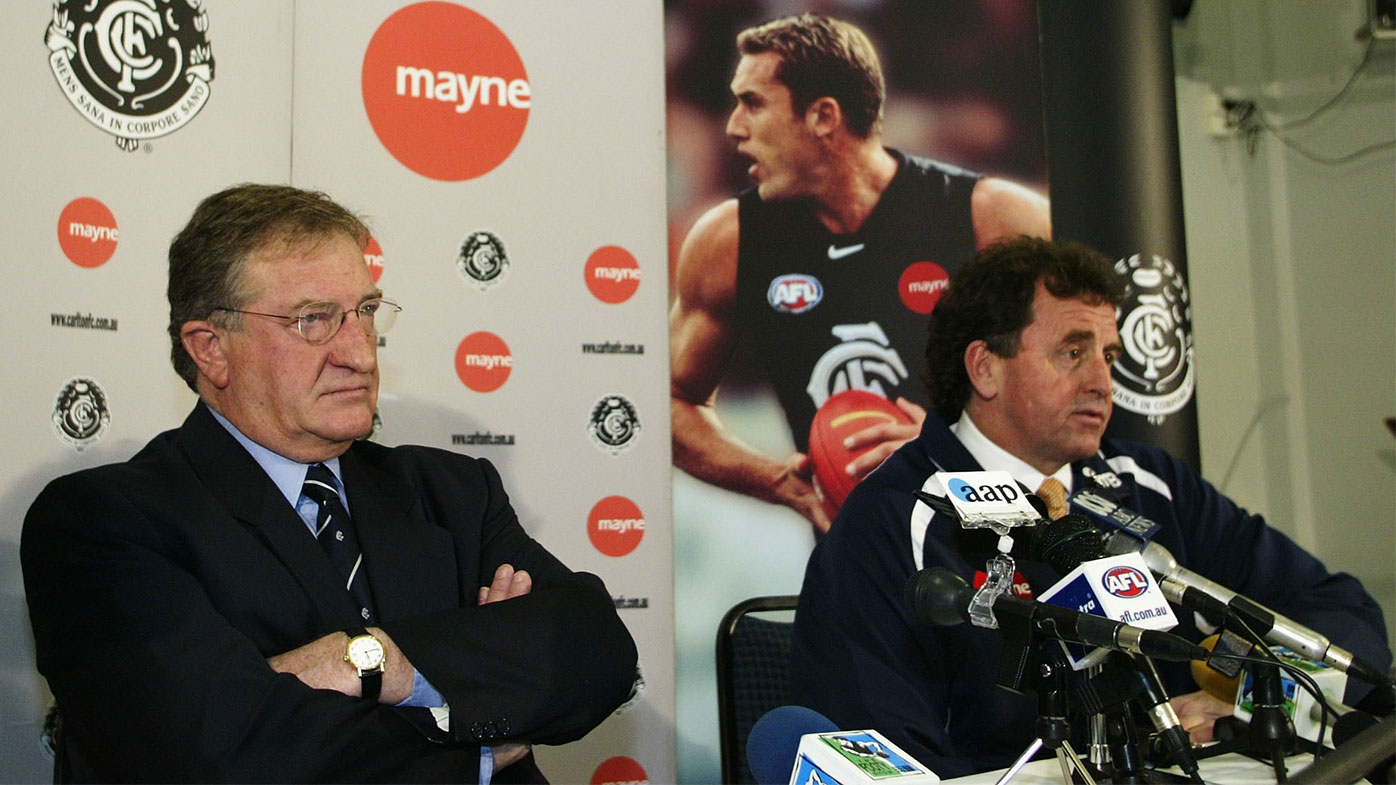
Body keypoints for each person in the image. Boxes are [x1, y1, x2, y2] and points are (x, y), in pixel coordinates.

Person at [21, 184, 639, 783]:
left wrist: (369, 660)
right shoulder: (103, 522)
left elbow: (597, 652)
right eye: (313, 320)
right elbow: (223, 753)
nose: (363, 355)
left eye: (365, 313)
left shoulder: (452, 491)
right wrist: (479, 731)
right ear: (211, 348)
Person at [789, 236, 1391, 777]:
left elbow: (1335, 609)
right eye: (1073, 353)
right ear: (985, 368)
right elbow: (882, 757)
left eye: (1108, 355)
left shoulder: (1148, 481)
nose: (1102, 380)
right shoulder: (894, 522)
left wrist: (1249, 691)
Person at [670, 13, 1052, 534]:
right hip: (853, 566)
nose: (734, 126)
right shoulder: (728, 241)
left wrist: (952, 453)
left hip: (998, 547)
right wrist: (777, 481)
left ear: (824, 116)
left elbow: (1086, 389)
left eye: (754, 103)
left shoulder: (996, 219)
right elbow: (672, 402)